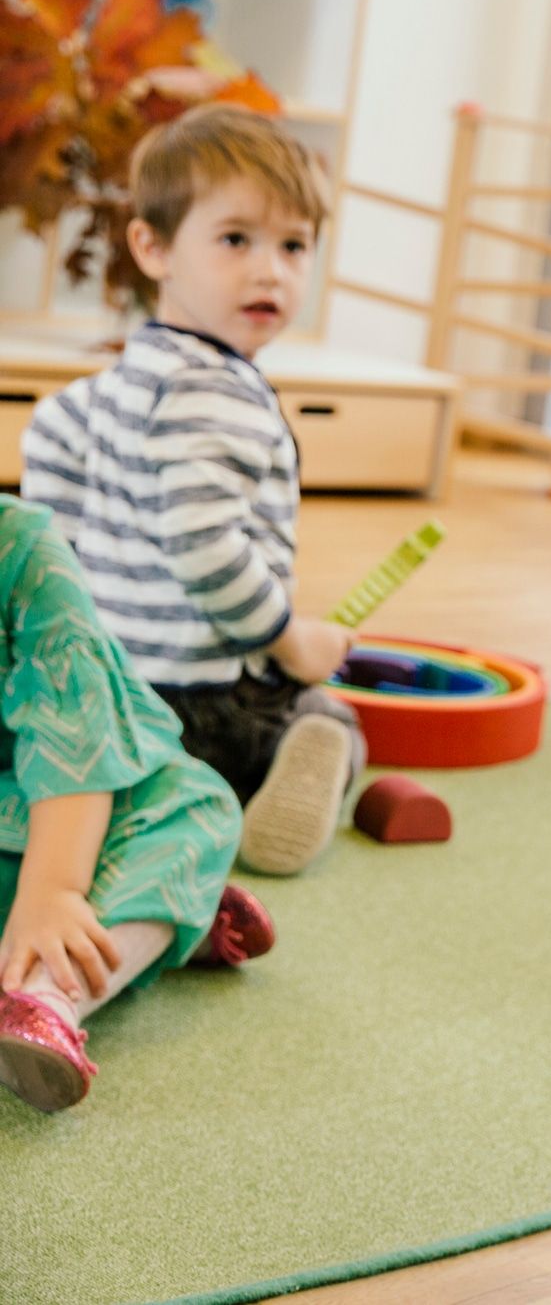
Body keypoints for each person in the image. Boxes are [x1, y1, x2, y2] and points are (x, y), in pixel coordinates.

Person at [23, 105, 366, 878]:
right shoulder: (220, 393)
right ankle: (277, 769)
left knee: (117, 766)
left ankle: (115, 793)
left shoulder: (99, 391)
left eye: (294, 245)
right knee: (330, 715)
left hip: (109, 696)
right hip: (207, 699)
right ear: (152, 247)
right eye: (235, 239)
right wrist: (292, 639)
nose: (270, 270)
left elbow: (48, 489)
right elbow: (206, 547)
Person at [0, 496, 267, 1113]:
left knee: (196, 809)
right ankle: (164, 916)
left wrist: (54, 889)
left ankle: (44, 997)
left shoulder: (24, 549)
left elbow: (75, 733)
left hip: (66, 805)